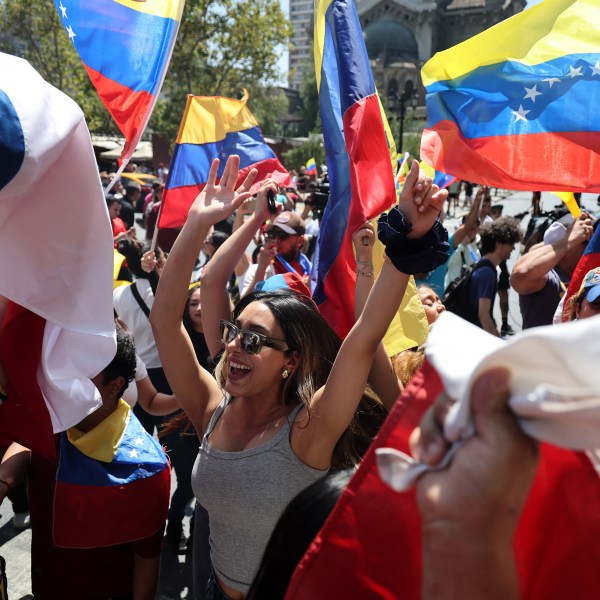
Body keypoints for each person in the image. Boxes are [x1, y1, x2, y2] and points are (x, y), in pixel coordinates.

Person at [150, 155, 447, 599]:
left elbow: (364, 339)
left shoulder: (309, 430)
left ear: (290, 361)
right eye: (233, 333)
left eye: (253, 340)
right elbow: (164, 323)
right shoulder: (211, 409)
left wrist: (403, 237)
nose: (232, 346)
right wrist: (196, 223)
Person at [0, 328, 170, 599]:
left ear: (114, 386)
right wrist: (4, 479)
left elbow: (147, 558)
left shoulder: (146, 469)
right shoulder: (55, 414)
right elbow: (30, 441)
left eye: (80, 371)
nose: (61, 377)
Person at [512, 212, 594, 329]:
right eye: (585, 241)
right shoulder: (550, 278)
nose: (591, 247)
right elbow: (520, 274)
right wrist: (567, 240)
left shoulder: (589, 275)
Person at [467, 218, 522, 336]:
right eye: (511, 243)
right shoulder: (487, 273)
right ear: (498, 243)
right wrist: (495, 340)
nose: (513, 248)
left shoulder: (483, 266)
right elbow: (483, 314)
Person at [241, 211, 312, 296]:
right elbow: (244, 307)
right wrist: (261, 269)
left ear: (300, 241)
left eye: (283, 235)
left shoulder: (312, 274)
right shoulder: (256, 270)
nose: (276, 240)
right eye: (273, 234)